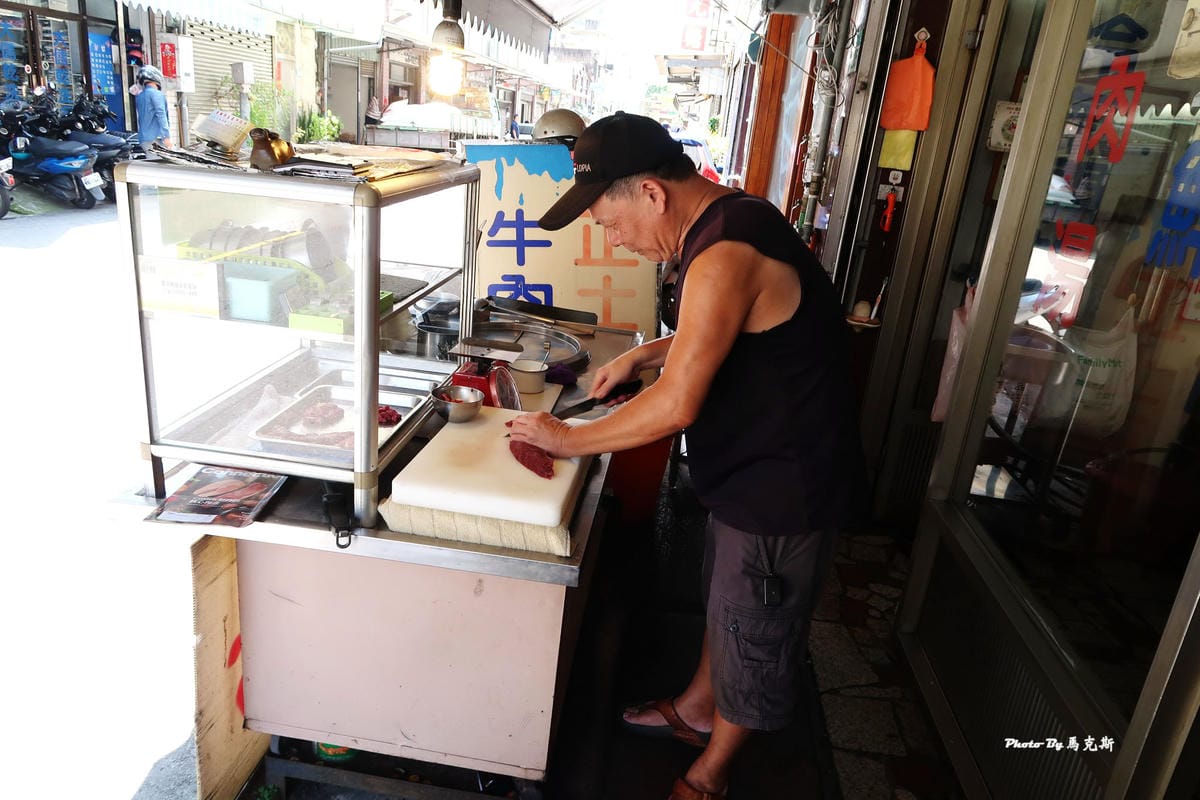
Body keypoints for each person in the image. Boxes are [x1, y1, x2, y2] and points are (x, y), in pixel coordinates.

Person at [509, 111, 866, 800]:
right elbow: (722, 329)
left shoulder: (725, 252)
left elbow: (677, 406)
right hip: (750, 469)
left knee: (756, 627)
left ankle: (710, 776)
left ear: (651, 193)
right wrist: (643, 353)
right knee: (726, 604)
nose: (613, 239)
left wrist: (568, 438)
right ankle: (701, 707)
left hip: (784, 485)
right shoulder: (732, 217)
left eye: (610, 222)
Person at [134, 65, 171, 151]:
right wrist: (166, 136)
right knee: (159, 164)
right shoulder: (157, 94)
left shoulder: (139, 96)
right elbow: (161, 115)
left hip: (144, 138)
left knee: (150, 163)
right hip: (157, 138)